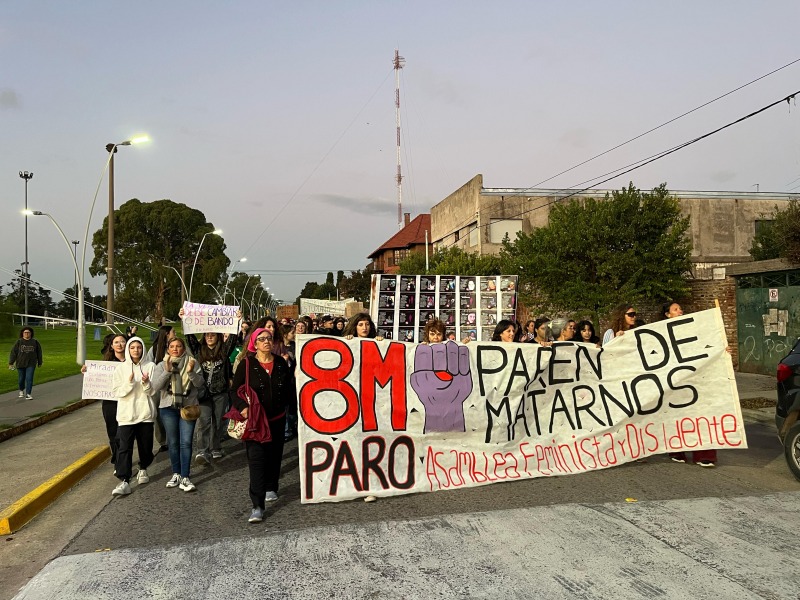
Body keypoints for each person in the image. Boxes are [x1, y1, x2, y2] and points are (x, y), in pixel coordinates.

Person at [229, 328, 295, 523]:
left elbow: (289, 387)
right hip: (256, 421)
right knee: (257, 460)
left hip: (278, 419)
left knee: (274, 456)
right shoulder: (247, 364)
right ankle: (257, 505)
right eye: (262, 339)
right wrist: (243, 407)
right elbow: (234, 390)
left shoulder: (280, 362)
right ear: (254, 344)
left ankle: (271, 487)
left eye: (269, 338)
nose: (266, 341)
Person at [661, 302, 718, 468]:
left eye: (680, 308)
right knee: (678, 417)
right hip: (674, 382)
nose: (680, 311)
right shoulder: (660, 333)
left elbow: (705, 347)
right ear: (667, 315)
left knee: (700, 416)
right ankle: (676, 451)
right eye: (675, 309)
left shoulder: (692, 329)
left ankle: (704, 455)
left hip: (694, 380)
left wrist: (721, 351)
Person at [150, 337, 205, 492]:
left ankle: (185, 476)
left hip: (188, 407)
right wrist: (167, 371)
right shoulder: (161, 365)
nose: (175, 349)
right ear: (168, 349)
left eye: (179, 346)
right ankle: (176, 473)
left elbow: (200, 384)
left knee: (186, 442)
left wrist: (191, 372)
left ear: (183, 348)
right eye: (172, 346)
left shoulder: (192, 362)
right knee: (173, 443)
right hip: (168, 408)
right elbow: (156, 387)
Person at [110, 336, 156, 496]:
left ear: (143, 349)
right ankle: (124, 480)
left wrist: (146, 383)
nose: (136, 350)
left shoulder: (150, 366)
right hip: (126, 415)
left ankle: (143, 468)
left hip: (145, 413)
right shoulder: (120, 369)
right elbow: (116, 392)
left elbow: (153, 392)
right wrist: (129, 383)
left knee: (146, 446)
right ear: (128, 350)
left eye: (139, 347)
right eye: (132, 347)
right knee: (124, 447)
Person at [187, 331, 236, 463]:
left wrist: (236, 323)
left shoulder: (224, 351)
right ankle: (202, 451)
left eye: (213, 335)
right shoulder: (199, 350)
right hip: (204, 393)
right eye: (207, 334)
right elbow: (190, 338)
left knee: (218, 422)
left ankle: (215, 447)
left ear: (218, 337)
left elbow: (232, 339)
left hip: (220, 392)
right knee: (203, 422)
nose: (209, 337)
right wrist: (185, 322)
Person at [82, 333, 127, 472]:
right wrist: (87, 372)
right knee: (113, 432)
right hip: (110, 403)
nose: (120, 344)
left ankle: (123, 460)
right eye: (116, 342)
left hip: (127, 402)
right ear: (111, 346)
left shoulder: (132, 361)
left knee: (124, 434)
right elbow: (96, 379)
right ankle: (117, 460)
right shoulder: (105, 364)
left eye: (122, 341)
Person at [145, 324, 175, 451]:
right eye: (173, 332)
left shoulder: (177, 346)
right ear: (167, 334)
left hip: (174, 384)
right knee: (158, 414)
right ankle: (163, 440)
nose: (175, 334)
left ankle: (172, 437)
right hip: (158, 384)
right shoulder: (154, 349)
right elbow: (148, 364)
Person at [9, 326, 42, 400]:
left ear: (31, 333)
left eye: (28, 332)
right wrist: (11, 362)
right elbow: (13, 352)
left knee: (29, 378)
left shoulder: (35, 342)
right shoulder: (19, 342)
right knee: (21, 379)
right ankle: (21, 390)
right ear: (22, 333)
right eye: (25, 332)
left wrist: (40, 361)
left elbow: (39, 352)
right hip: (20, 363)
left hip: (31, 363)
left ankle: (28, 394)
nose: (27, 334)